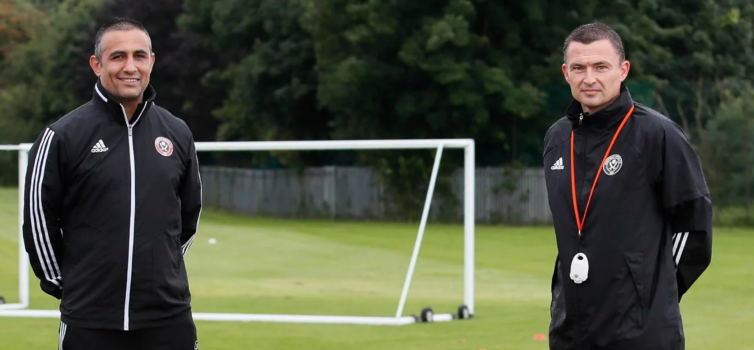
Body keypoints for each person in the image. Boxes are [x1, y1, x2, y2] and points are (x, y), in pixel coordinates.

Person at [21, 17, 202, 350]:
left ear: (152, 61)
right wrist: (68, 285)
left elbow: (188, 218)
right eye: (118, 56)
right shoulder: (62, 136)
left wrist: (162, 270)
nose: (130, 66)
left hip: (168, 318)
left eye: (139, 55)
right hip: (91, 320)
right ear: (96, 64)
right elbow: (38, 222)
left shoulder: (177, 133)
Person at [542, 22, 713, 349]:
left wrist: (649, 296)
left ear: (623, 70)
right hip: (570, 329)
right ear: (566, 73)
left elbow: (695, 227)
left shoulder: (657, 135)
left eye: (600, 67)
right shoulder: (556, 139)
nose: (589, 78)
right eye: (578, 67)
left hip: (640, 334)